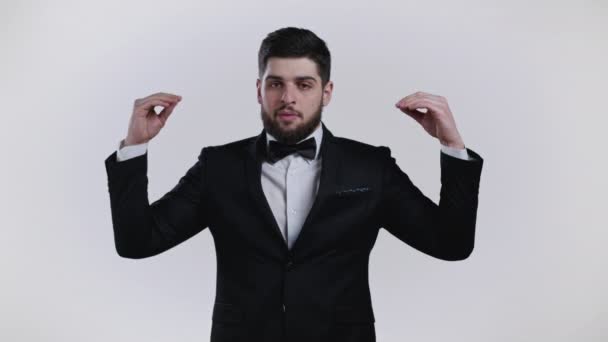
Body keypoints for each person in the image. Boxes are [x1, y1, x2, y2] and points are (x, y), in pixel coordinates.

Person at [104, 26, 484, 342]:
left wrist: (452, 147)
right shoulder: (217, 167)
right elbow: (138, 242)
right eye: (275, 84)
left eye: (304, 84)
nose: (288, 98)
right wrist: (135, 147)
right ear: (259, 90)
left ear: (327, 92)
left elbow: (450, 244)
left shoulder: (370, 167)